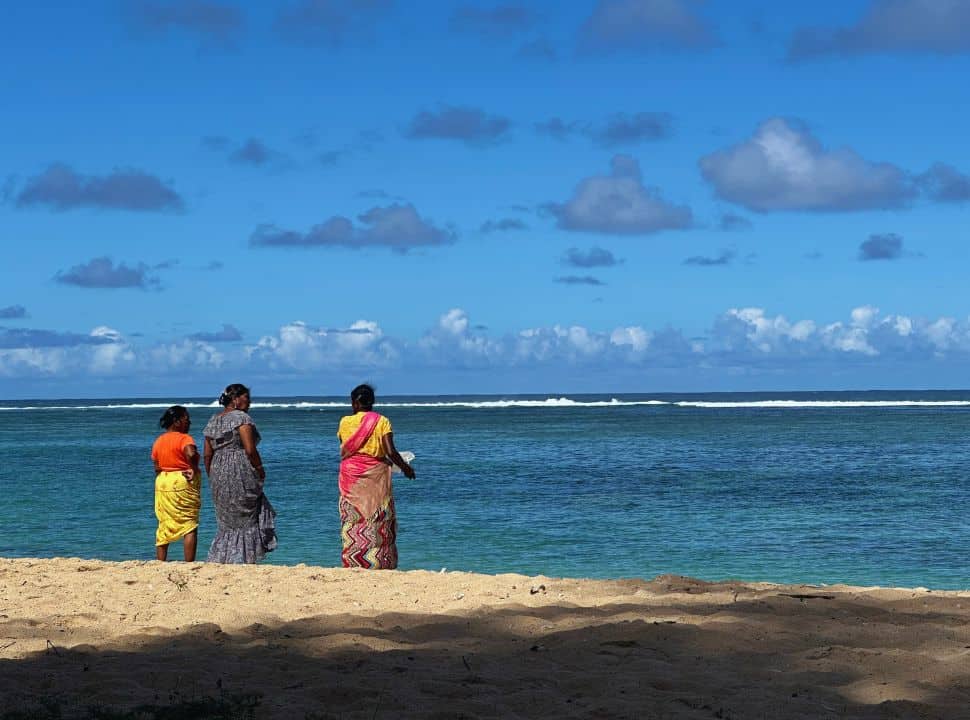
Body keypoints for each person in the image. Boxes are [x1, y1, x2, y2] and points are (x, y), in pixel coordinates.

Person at [337, 383, 415, 569]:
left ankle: (354, 561)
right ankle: (380, 561)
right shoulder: (382, 422)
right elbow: (390, 451)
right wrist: (406, 469)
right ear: (372, 402)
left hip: (351, 477)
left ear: (354, 403)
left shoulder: (344, 422)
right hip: (376, 477)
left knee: (353, 518)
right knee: (378, 516)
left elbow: (347, 448)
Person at [203, 383, 277, 563]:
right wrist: (260, 469)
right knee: (246, 515)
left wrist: (212, 475)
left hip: (217, 470)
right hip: (239, 469)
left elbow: (207, 454)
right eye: (246, 398)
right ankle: (244, 557)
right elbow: (250, 449)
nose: (249, 402)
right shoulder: (242, 419)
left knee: (226, 519)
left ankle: (224, 557)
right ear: (235, 399)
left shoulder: (213, 420)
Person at [151, 405, 202, 561]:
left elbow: (157, 465)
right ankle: (189, 563)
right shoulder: (184, 438)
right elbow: (190, 453)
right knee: (189, 524)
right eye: (187, 419)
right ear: (177, 421)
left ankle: (160, 562)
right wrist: (193, 468)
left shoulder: (159, 440)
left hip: (163, 482)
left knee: (164, 523)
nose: (189, 423)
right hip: (182, 480)